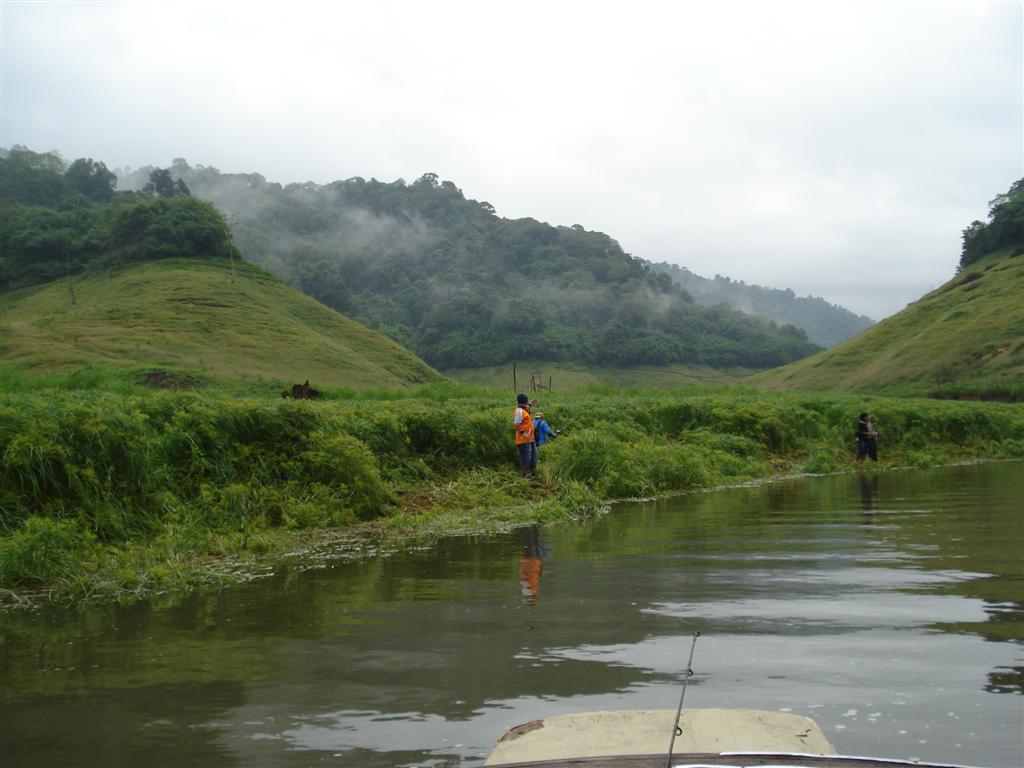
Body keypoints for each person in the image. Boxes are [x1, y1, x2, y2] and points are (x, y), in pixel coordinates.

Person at [513, 393, 538, 478]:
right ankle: (524, 476)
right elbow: (517, 424)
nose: (528, 403)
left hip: (530, 438)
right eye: (527, 401)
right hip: (523, 439)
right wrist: (524, 434)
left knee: (534, 455)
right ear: (525, 401)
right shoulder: (519, 411)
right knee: (526, 458)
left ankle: (533, 474)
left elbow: (527, 407)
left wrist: (531, 403)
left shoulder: (523, 409)